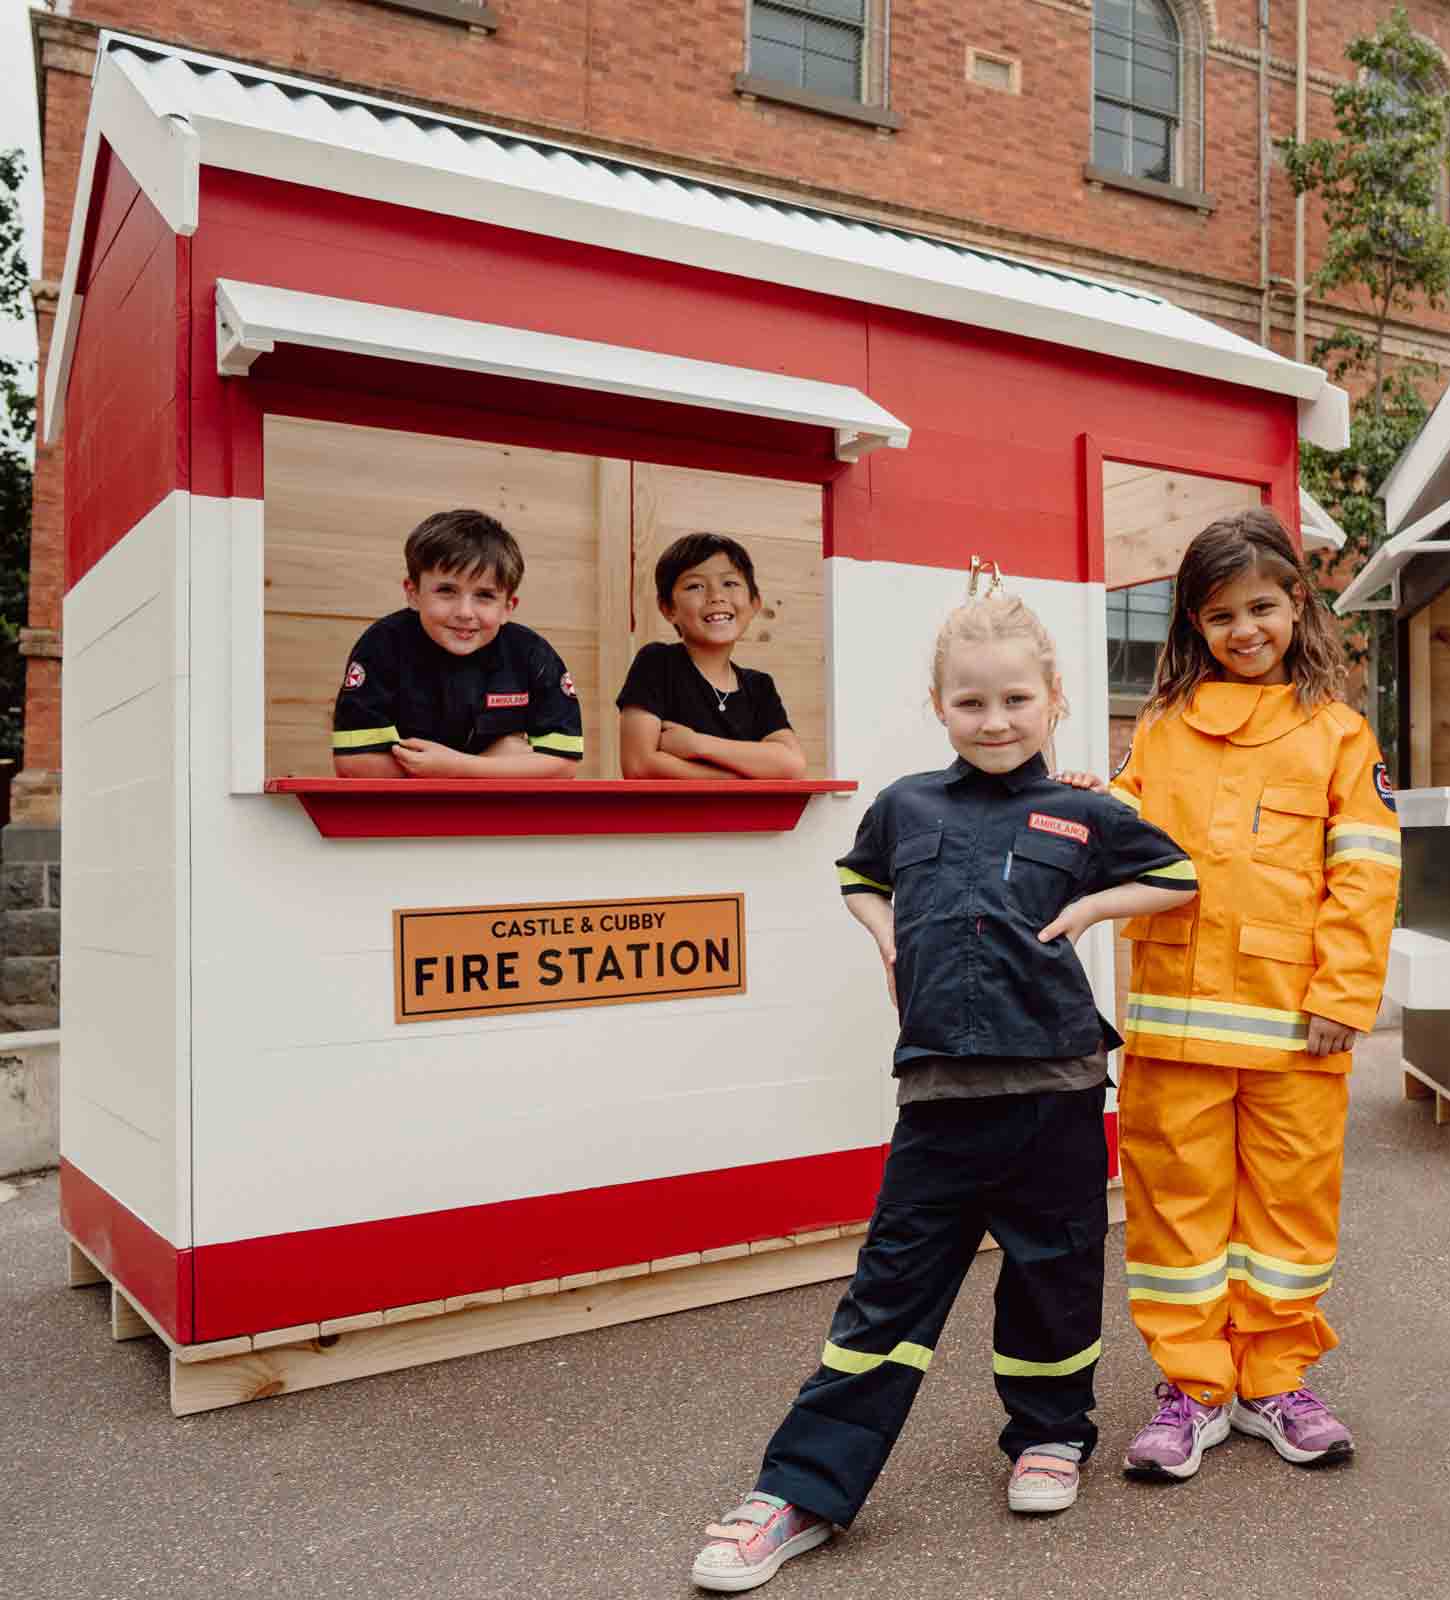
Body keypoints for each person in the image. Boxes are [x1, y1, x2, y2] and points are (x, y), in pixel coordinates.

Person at [689, 572, 1198, 1593]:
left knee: (1054, 1275)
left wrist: (1093, 912)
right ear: (939, 706)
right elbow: (857, 875)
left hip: (1057, 1089)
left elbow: (1179, 875)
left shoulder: (1082, 813)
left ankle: (1050, 1435)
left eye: (1015, 699)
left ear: (1053, 695)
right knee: (887, 1295)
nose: (994, 718)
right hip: (939, 1099)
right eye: (970, 701)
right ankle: (797, 1491)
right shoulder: (904, 805)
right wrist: (884, 934)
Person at [1063, 507, 1401, 1480]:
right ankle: (1192, 1389)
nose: (1243, 629)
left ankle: (1274, 1381)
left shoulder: (1337, 734)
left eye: (1260, 606)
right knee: (1177, 1217)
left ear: (1296, 603)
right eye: (1220, 615)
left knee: (1290, 1214)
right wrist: (1093, 802)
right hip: (1173, 1028)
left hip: (1300, 1030)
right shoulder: (1161, 730)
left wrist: (1344, 994)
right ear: (1193, 626)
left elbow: (1366, 870)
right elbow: (1128, 831)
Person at [331, 509, 582, 778]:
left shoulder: (532, 654)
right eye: (446, 591)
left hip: (502, 817)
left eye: (484, 595)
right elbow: (355, 764)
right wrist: (494, 764)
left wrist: (453, 766)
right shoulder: (382, 646)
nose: (465, 612)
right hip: (407, 817)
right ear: (413, 593)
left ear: (508, 607)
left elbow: (563, 766)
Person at [617, 533, 806, 779]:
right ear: (668, 609)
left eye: (730, 583)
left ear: (754, 603)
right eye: (695, 586)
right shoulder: (657, 663)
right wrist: (741, 779)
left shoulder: (759, 687)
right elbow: (639, 765)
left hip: (749, 819)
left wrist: (696, 744)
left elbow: (792, 765)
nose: (716, 596)